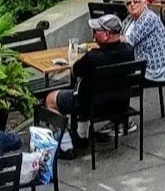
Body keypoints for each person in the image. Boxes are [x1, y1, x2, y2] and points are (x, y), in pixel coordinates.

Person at [45, 14, 136, 147]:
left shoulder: (93, 57)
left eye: (96, 31)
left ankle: (66, 144)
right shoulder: (129, 51)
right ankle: (82, 133)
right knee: (87, 90)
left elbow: (75, 71)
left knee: (50, 99)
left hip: (90, 105)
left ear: (106, 34)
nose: (93, 36)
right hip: (118, 106)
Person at [121, 0, 165, 89]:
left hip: (155, 71)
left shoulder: (148, 18)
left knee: (117, 78)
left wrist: (117, 38)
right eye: (128, 3)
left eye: (135, 1)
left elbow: (130, 41)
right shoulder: (129, 19)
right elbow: (119, 34)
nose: (132, 5)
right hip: (141, 64)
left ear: (144, 3)